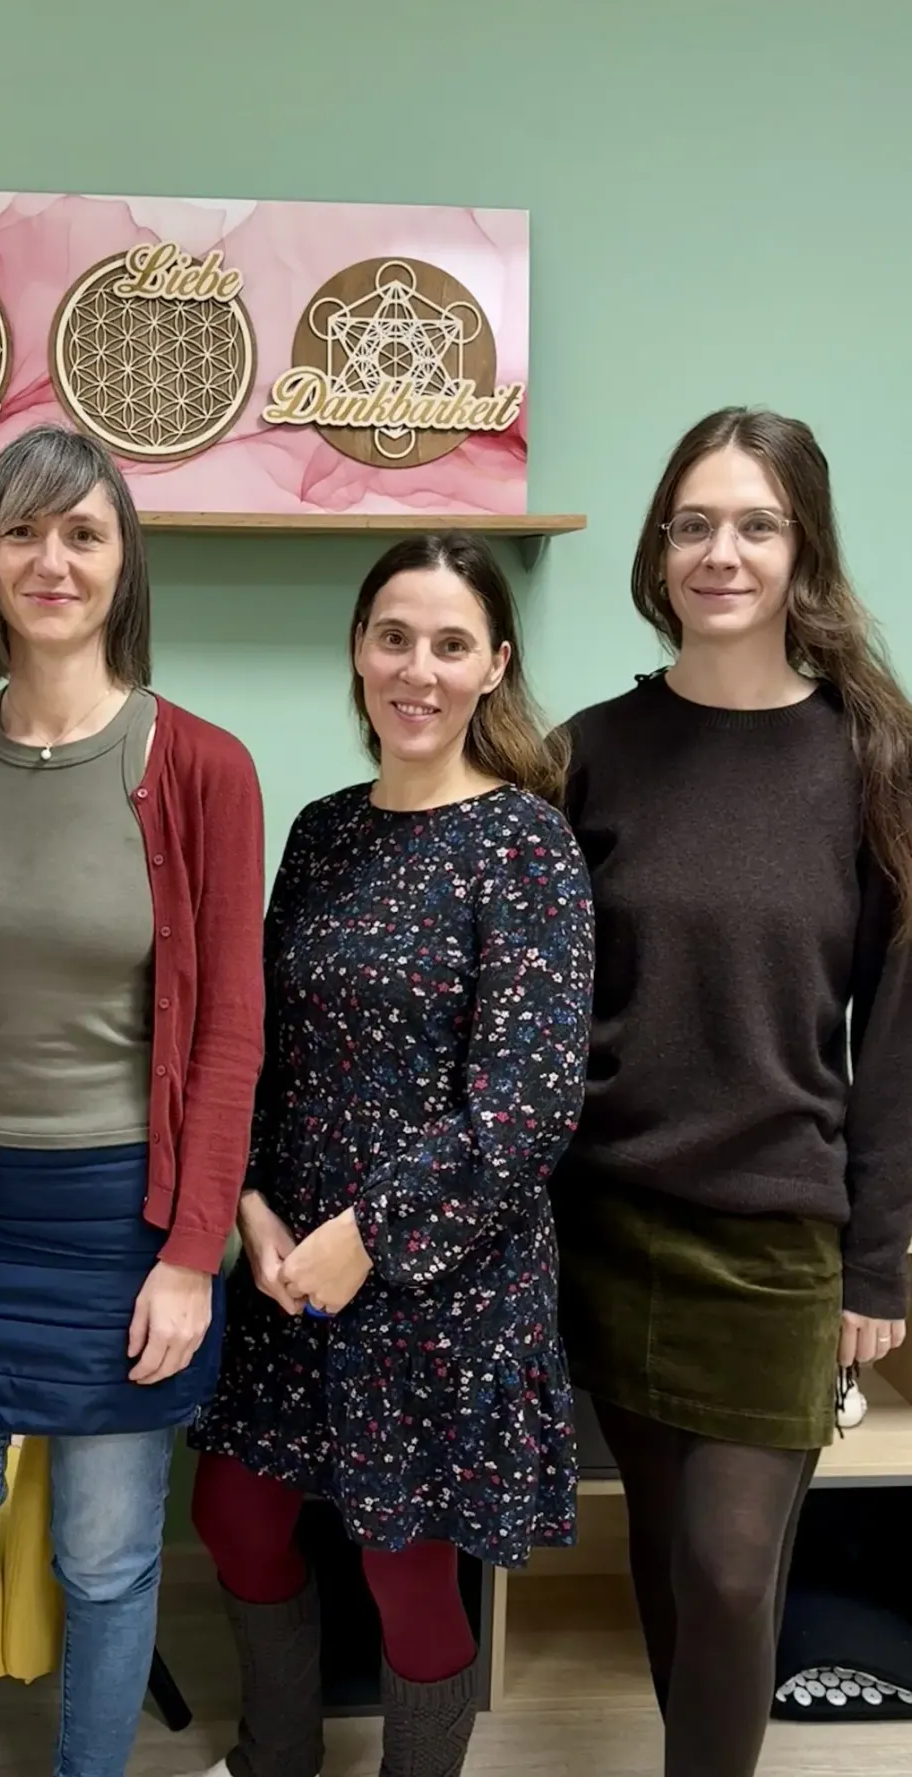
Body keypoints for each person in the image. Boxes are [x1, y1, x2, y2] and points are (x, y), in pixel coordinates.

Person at [0, 424, 266, 1777]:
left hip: (118, 1224)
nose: (51, 560)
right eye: (23, 532)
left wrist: (191, 1253)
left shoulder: (201, 767)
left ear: (121, 562)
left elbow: (227, 1037)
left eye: (82, 533)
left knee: (107, 1570)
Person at [185, 532, 595, 1777]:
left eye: (450, 644)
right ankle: (279, 1754)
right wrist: (250, 1206)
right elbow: (253, 1039)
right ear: (359, 652)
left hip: (441, 1283)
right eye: (393, 637)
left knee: (407, 1564)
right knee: (236, 1515)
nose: (418, 669)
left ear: (494, 667)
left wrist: (370, 1235)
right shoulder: (321, 833)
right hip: (288, 1268)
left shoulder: (526, 847)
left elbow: (526, 1105)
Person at [554, 407, 912, 1777]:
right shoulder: (589, 752)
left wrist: (874, 1264)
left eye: (754, 525)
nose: (720, 552)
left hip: (774, 1240)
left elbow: (892, 1037)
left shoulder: (872, 762)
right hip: (609, 1221)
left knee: (721, 1570)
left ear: (801, 549)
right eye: (693, 523)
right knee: (659, 1545)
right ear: (659, 547)